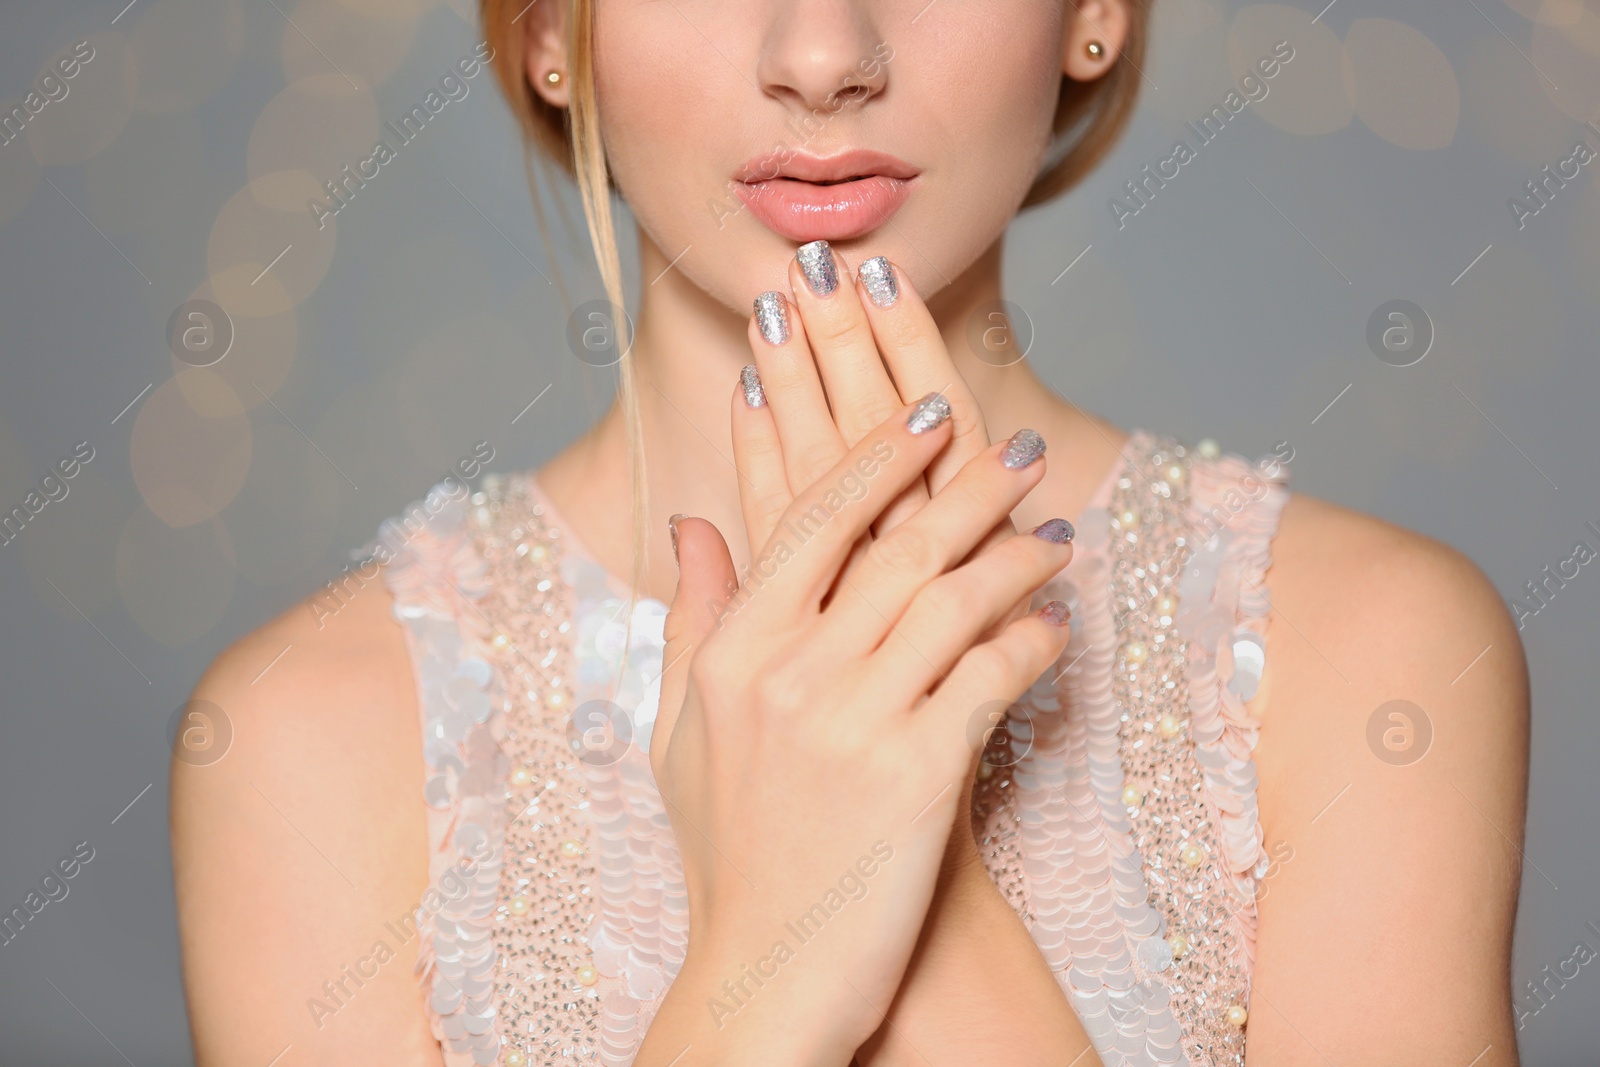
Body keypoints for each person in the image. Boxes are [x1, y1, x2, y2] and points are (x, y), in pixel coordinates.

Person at [170, 1, 1530, 1064]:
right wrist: (769, 958)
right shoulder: (311, 738)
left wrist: (903, 872)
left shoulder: (1365, 653)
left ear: (1091, 10)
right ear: (550, 34)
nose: (822, 57)